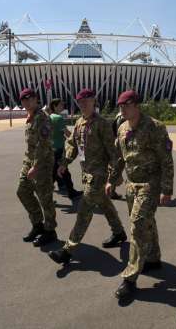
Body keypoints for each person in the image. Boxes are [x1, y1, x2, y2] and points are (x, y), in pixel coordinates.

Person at [106, 90, 174, 299]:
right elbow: (119, 157)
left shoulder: (155, 127)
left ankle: (130, 278)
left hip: (150, 184)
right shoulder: (122, 128)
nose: (122, 110)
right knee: (146, 222)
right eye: (120, 106)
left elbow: (166, 160)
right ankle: (153, 259)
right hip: (131, 184)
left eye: (125, 106)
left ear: (136, 105)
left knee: (137, 225)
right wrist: (111, 179)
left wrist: (166, 189)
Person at [47, 88, 127, 264]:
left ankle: (68, 250)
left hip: (99, 175)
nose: (83, 105)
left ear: (93, 101)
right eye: (80, 103)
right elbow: (72, 145)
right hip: (87, 174)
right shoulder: (79, 123)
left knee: (84, 211)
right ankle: (119, 232)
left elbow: (112, 151)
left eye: (86, 101)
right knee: (105, 204)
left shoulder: (102, 124)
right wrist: (64, 163)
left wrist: (116, 175)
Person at [16, 88, 58, 247]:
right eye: (23, 100)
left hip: (42, 164)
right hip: (29, 162)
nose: (26, 102)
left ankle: (50, 231)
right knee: (22, 191)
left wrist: (36, 166)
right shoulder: (30, 117)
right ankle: (37, 224)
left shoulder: (42, 118)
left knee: (45, 197)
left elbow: (44, 145)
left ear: (35, 99)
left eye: (29, 98)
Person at [49, 98, 83, 200]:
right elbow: (68, 134)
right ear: (54, 106)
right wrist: (78, 138)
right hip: (59, 149)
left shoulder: (50, 117)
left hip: (52, 148)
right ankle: (71, 192)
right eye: (60, 105)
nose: (63, 106)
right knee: (63, 171)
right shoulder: (58, 118)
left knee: (55, 171)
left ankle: (61, 185)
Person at [109, 111, 126, 200]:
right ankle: (110, 191)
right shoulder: (123, 117)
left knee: (117, 168)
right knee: (117, 168)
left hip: (118, 143)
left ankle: (111, 190)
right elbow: (122, 132)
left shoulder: (119, 115)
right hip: (122, 145)